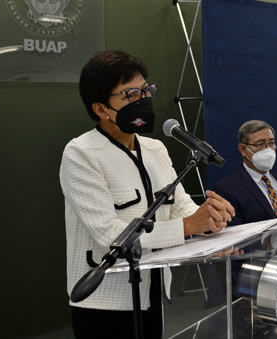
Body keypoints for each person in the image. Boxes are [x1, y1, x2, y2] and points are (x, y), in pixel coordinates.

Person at [60, 51, 235, 339]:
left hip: (153, 289)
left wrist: (209, 222)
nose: (142, 100)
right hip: (105, 300)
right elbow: (110, 235)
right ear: (101, 109)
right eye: (130, 94)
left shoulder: (156, 149)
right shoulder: (81, 154)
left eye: (145, 90)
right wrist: (190, 225)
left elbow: (180, 206)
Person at [213, 120, 277, 261]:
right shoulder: (228, 188)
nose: (268, 149)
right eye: (260, 144)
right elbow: (237, 241)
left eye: (271, 143)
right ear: (243, 149)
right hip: (266, 266)